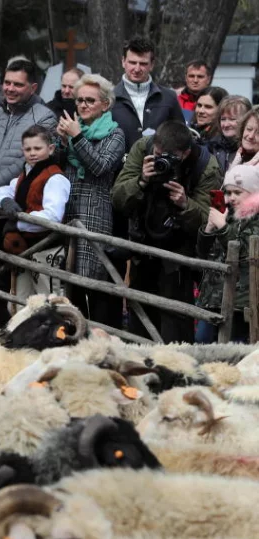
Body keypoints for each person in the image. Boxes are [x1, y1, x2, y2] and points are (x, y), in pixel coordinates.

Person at [0, 59, 57, 328]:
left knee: (15, 284)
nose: (11, 89)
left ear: (33, 87)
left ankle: (15, 334)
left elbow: (26, 162)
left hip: (19, 212)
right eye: (7, 82)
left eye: (18, 84)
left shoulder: (43, 117)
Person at [112, 120, 221, 343]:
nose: (162, 160)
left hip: (179, 255)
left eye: (170, 157)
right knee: (140, 319)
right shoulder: (144, 148)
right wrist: (141, 181)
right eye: (159, 153)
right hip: (142, 247)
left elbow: (208, 221)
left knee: (176, 325)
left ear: (186, 152)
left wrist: (185, 203)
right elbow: (118, 199)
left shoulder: (204, 164)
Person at [54, 74, 126, 327]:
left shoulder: (115, 134)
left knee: (93, 285)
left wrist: (75, 137)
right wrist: (61, 142)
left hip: (94, 215)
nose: (83, 105)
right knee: (67, 283)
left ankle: (97, 337)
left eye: (90, 101)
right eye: (80, 100)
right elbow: (58, 165)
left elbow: (100, 167)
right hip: (68, 210)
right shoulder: (75, 127)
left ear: (105, 105)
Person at [0, 125, 70, 304]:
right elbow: (4, 189)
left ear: (50, 149)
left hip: (46, 249)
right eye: (28, 149)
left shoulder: (55, 178)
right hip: (24, 249)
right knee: (21, 300)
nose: (32, 153)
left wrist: (18, 224)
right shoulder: (25, 173)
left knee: (48, 300)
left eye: (37, 148)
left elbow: (53, 216)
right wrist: (5, 200)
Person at [195, 165, 259, 342]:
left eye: (237, 193)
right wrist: (208, 230)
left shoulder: (255, 218)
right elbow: (202, 253)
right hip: (212, 293)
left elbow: (244, 252)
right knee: (202, 339)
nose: (231, 198)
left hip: (241, 298)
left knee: (234, 344)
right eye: (228, 193)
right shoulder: (226, 213)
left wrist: (222, 228)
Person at [110, 37, 185, 152]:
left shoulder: (168, 97)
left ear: (152, 64)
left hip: (159, 166)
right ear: (123, 61)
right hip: (121, 168)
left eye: (143, 63)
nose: (137, 68)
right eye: (132, 62)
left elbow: (181, 136)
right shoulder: (109, 98)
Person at [208, 96, 252, 173]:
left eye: (232, 119)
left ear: (247, 120)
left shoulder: (252, 150)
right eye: (223, 119)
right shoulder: (211, 147)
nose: (226, 125)